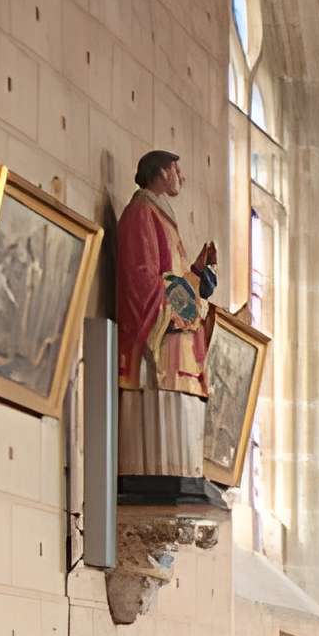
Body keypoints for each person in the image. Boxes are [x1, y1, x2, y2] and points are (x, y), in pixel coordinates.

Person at [112, 149, 216, 494]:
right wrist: (181, 299)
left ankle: (181, 467)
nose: (182, 177)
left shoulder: (162, 216)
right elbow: (142, 278)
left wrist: (198, 274)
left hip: (177, 330)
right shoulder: (141, 214)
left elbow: (174, 279)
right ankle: (159, 471)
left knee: (182, 401)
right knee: (161, 408)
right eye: (177, 170)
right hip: (159, 336)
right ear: (159, 172)